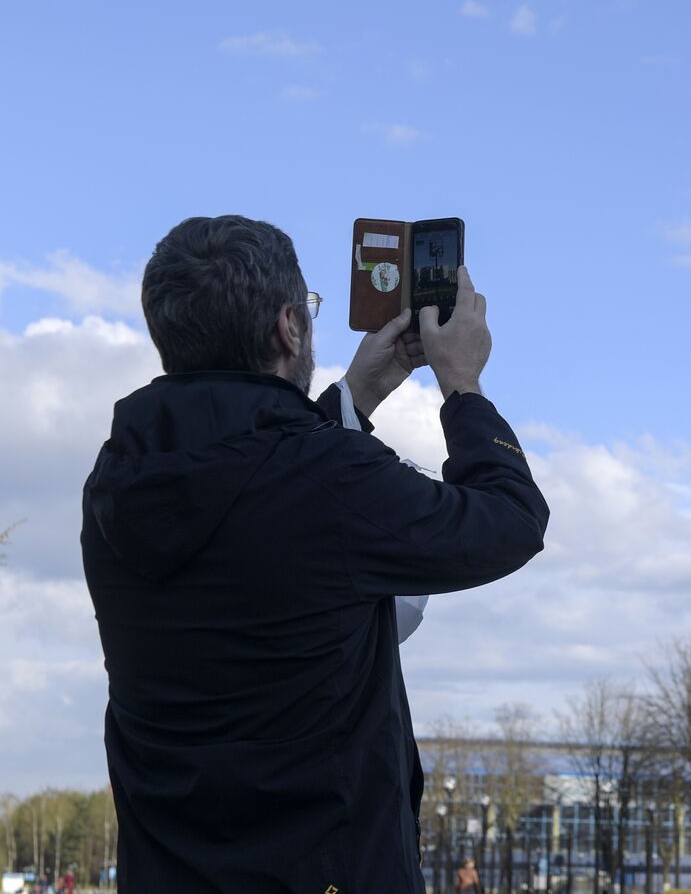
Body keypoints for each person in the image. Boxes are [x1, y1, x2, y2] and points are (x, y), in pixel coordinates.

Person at [81, 216, 549, 892]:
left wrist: (354, 398)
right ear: (288, 328)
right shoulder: (326, 477)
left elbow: (255, 492)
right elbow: (510, 520)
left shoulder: (118, 480)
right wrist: (463, 384)